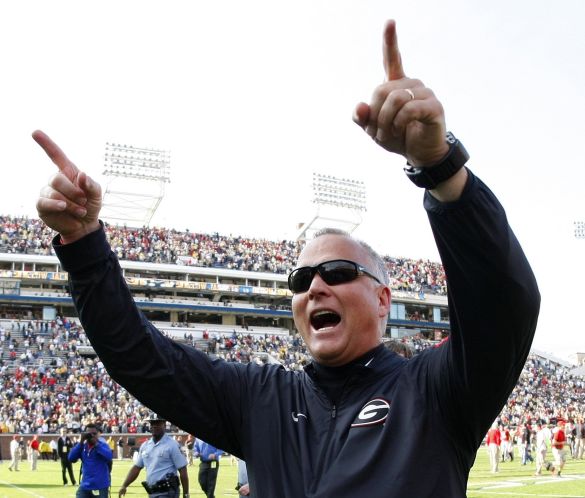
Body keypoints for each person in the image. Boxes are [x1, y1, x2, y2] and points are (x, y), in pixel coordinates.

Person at [32, 19, 540, 497]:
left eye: (338, 273)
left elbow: (503, 302)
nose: (314, 287)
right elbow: (138, 357)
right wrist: (84, 246)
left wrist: (439, 166)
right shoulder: (261, 399)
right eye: (300, 279)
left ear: (384, 299)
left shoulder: (436, 390)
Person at [118, 413, 189, 498]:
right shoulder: (145, 445)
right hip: (152, 492)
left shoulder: (172, 445)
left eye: (157, 423)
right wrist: (124, 485)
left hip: (168, 492)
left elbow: (182, 470)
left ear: (164, 424)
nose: (154, 426)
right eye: (152, 423)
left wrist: (186, 493)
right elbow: (137, 468)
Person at [68, 424, 113, 498]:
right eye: (89, 434)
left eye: (94, 434)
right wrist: (81, 442)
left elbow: (109, 457)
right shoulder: (82, 446)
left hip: (100, 485)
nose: (92, 436)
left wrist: (96, 444)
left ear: (98, 434)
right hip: (85, 485)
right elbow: (71, 458)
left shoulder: (103, 445)